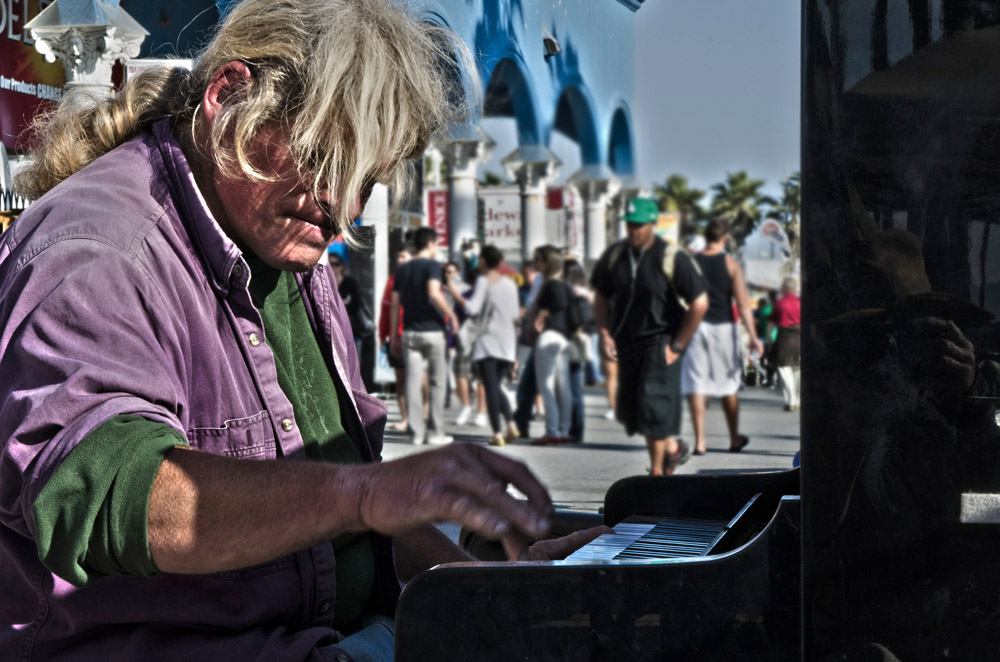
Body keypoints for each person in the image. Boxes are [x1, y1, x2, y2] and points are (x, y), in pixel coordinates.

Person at [0, 3, 607, 660]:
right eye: (324, 159)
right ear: (228, 97)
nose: (341, 209)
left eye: (365, 181)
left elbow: (348, 518)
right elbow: (113, 498)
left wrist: (487, 589)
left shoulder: (284, 239)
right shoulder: (99, 251)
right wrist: (363, 494)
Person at [591, 197, 710, 475]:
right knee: (637, 412)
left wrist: (678, 345)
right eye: (630, 225)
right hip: (627, 343)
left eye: (640, 225)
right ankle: (671, 450)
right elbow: (600, 295)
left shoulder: (671, 257)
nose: (634, 231)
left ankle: (656, 477)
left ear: (652, 224)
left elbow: (700, 302)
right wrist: (604, 333)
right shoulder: (614, 256)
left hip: (661, 342)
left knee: (653, 406)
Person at [681, 219, 765, 455]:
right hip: (724, 328)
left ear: (706, 237)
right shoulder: (731, 265)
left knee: (696, 384)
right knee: (728, 386)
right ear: (724, 238)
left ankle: (700, 441)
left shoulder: (691, 263)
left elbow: (685, 298)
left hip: (696, 326)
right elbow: (743, 305)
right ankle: (734, 438)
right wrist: (754, 337)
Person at [390, 226, 457, 445]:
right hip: (433, 331)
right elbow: (433, 292)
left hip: (409, 332)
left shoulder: (402, 270)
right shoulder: (433, 266)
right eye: (437, 244)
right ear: (430, 244)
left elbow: (395, 305)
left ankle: (417, 433)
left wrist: (394, 335)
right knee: (437, 382)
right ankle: (436, 433)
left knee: (411, 381)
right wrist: (451, 315)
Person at [451, 245, 521, 446]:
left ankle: (498, 433)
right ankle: (511, 425)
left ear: (482, 261)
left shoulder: (483, 281)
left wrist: (455, 294)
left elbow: (473, 308)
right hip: (507, 341)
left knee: (490, 388)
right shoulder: (510, 285)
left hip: (488, 341)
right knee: (495, 386)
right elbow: (515, 318)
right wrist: (514, 351)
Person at [531, 251, 575, 445]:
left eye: (539, 259)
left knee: (546, 387)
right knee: (563, 388)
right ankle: (563, 430)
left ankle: (552, 431)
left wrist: (542, 314)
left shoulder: (551, 284)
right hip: (563, 339)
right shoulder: (565, 285)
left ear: (549, 263)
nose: (536, 263)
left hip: (549, 337)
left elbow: (559, 303)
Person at [379, 245, 412, 431]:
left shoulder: (421, 279)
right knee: (401, 380)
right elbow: (386, 309)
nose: (401, 260)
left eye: (404, 257)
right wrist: (383, 336)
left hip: (417, 336)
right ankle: (406, 419)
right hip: (397, 337)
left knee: (420, 380)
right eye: (399, 257)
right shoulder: (392, 281)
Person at [563, 258, 595, 443]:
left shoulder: (575, 293)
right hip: (576, 342)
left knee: (573, 388)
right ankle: (573, 429)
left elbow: (583, 320)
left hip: (571, 342)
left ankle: (576, 430)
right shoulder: (583, 291)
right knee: (573, 387)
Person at [768, 277, 802, 411]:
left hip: (784, 338)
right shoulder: (801, 302)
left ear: (783, 288)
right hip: (799, 338)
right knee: (798, 370)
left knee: (783, 368)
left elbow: (771, 324)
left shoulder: (779, 303)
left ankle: (791, 400)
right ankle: (798, 400)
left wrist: (769, 338)